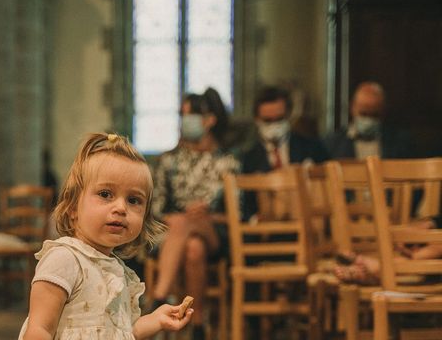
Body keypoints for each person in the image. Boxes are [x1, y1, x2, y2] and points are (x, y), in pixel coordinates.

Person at [18, 132, 193, 339]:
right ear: (73, 207)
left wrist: (155, 320)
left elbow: (123, 332)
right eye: (105, 194)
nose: (120, 207)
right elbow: (40, 329)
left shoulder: (120, 272)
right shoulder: (65, 259)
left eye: (134, 200)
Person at [150, 87, 239, 340]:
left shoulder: (228, 162)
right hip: (175, 235)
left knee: (188, 225)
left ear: (209, 120)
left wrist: (207, 214)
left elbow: (238, 215)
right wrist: (179, 217)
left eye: (190, 115)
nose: (184, 121)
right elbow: (156, 208)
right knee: (193, 247)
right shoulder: (170, 161)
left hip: (215, 233)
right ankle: (198, 325)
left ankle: (158, 298)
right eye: (182, 115)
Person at [241, 85, 330, 219]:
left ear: (289, 116)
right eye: (267, 121)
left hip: (308, 223)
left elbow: (329, 187)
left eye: (279, 119)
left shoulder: (312, 148)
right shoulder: (248, 157)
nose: (274, 125)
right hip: (266, 231)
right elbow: (246, 205)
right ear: (257, 120)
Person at [324, 81, 415, 160]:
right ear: (352, 108)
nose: (368, 119)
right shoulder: (332, 143)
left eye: (374, 115)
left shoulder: (401, 143)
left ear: (383, 111)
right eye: (363, 113)